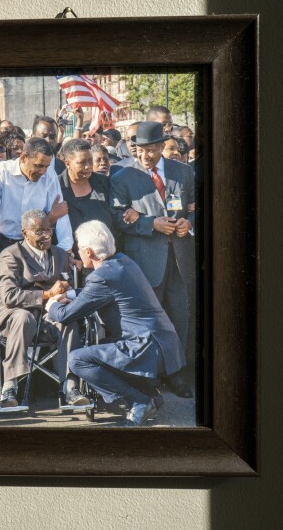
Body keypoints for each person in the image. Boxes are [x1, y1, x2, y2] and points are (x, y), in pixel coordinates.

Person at [45, 221, 185, 426]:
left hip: (144, 348)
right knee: (105, 349)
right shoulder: (123, 262)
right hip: (163, 344)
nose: (76, 251)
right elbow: (96, 293)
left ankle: (138, 402)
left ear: (89, 252)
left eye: (78, 247)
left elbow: (67, 315)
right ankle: (148, 394)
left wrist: (51, 305)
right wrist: (70, 294)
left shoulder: (102, 276)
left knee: (78, 360)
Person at [109, 121, 196, 398]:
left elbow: (196, 205)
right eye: (139, 150)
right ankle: (149, 375)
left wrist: (188, 223)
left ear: (161, 146)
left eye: (150, 149)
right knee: (148, 319)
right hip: (145, 259)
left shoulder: (183, 172)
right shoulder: (122, 176)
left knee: (179, 317)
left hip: (179, 258)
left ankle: (177, 374)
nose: (144, 155)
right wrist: (150, 224)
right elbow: (118, 217)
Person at [0, 210, 89, 408]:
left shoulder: (60, 255)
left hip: (48, 318)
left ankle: (70, 386)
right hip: (15, 316)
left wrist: (66, 294)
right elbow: (9, 296)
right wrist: (46, 295)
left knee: (68, 316)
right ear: (24, 233)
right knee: (23, 317)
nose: (46, 235)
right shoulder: (10, 255)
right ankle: (9, 388)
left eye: (49, 230)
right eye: (39, 231)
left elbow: (66, 287)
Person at [0, 138, 73, 272]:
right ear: (23, 157)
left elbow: (61, 216)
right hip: (2, 243)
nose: (43, 171)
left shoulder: (49, 176)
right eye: (38, 165)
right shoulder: (0, 172)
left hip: (34, 244)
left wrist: (67, 252)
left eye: (46, 166)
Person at [58, 139, 121, 243]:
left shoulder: (103, 183)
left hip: (105, 252)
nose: (88, 166)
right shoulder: (56, 188)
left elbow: (117, 212)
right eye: (81, 163)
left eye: (90, 161)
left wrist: (130, 211)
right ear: (67, 164)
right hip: (72, 256)